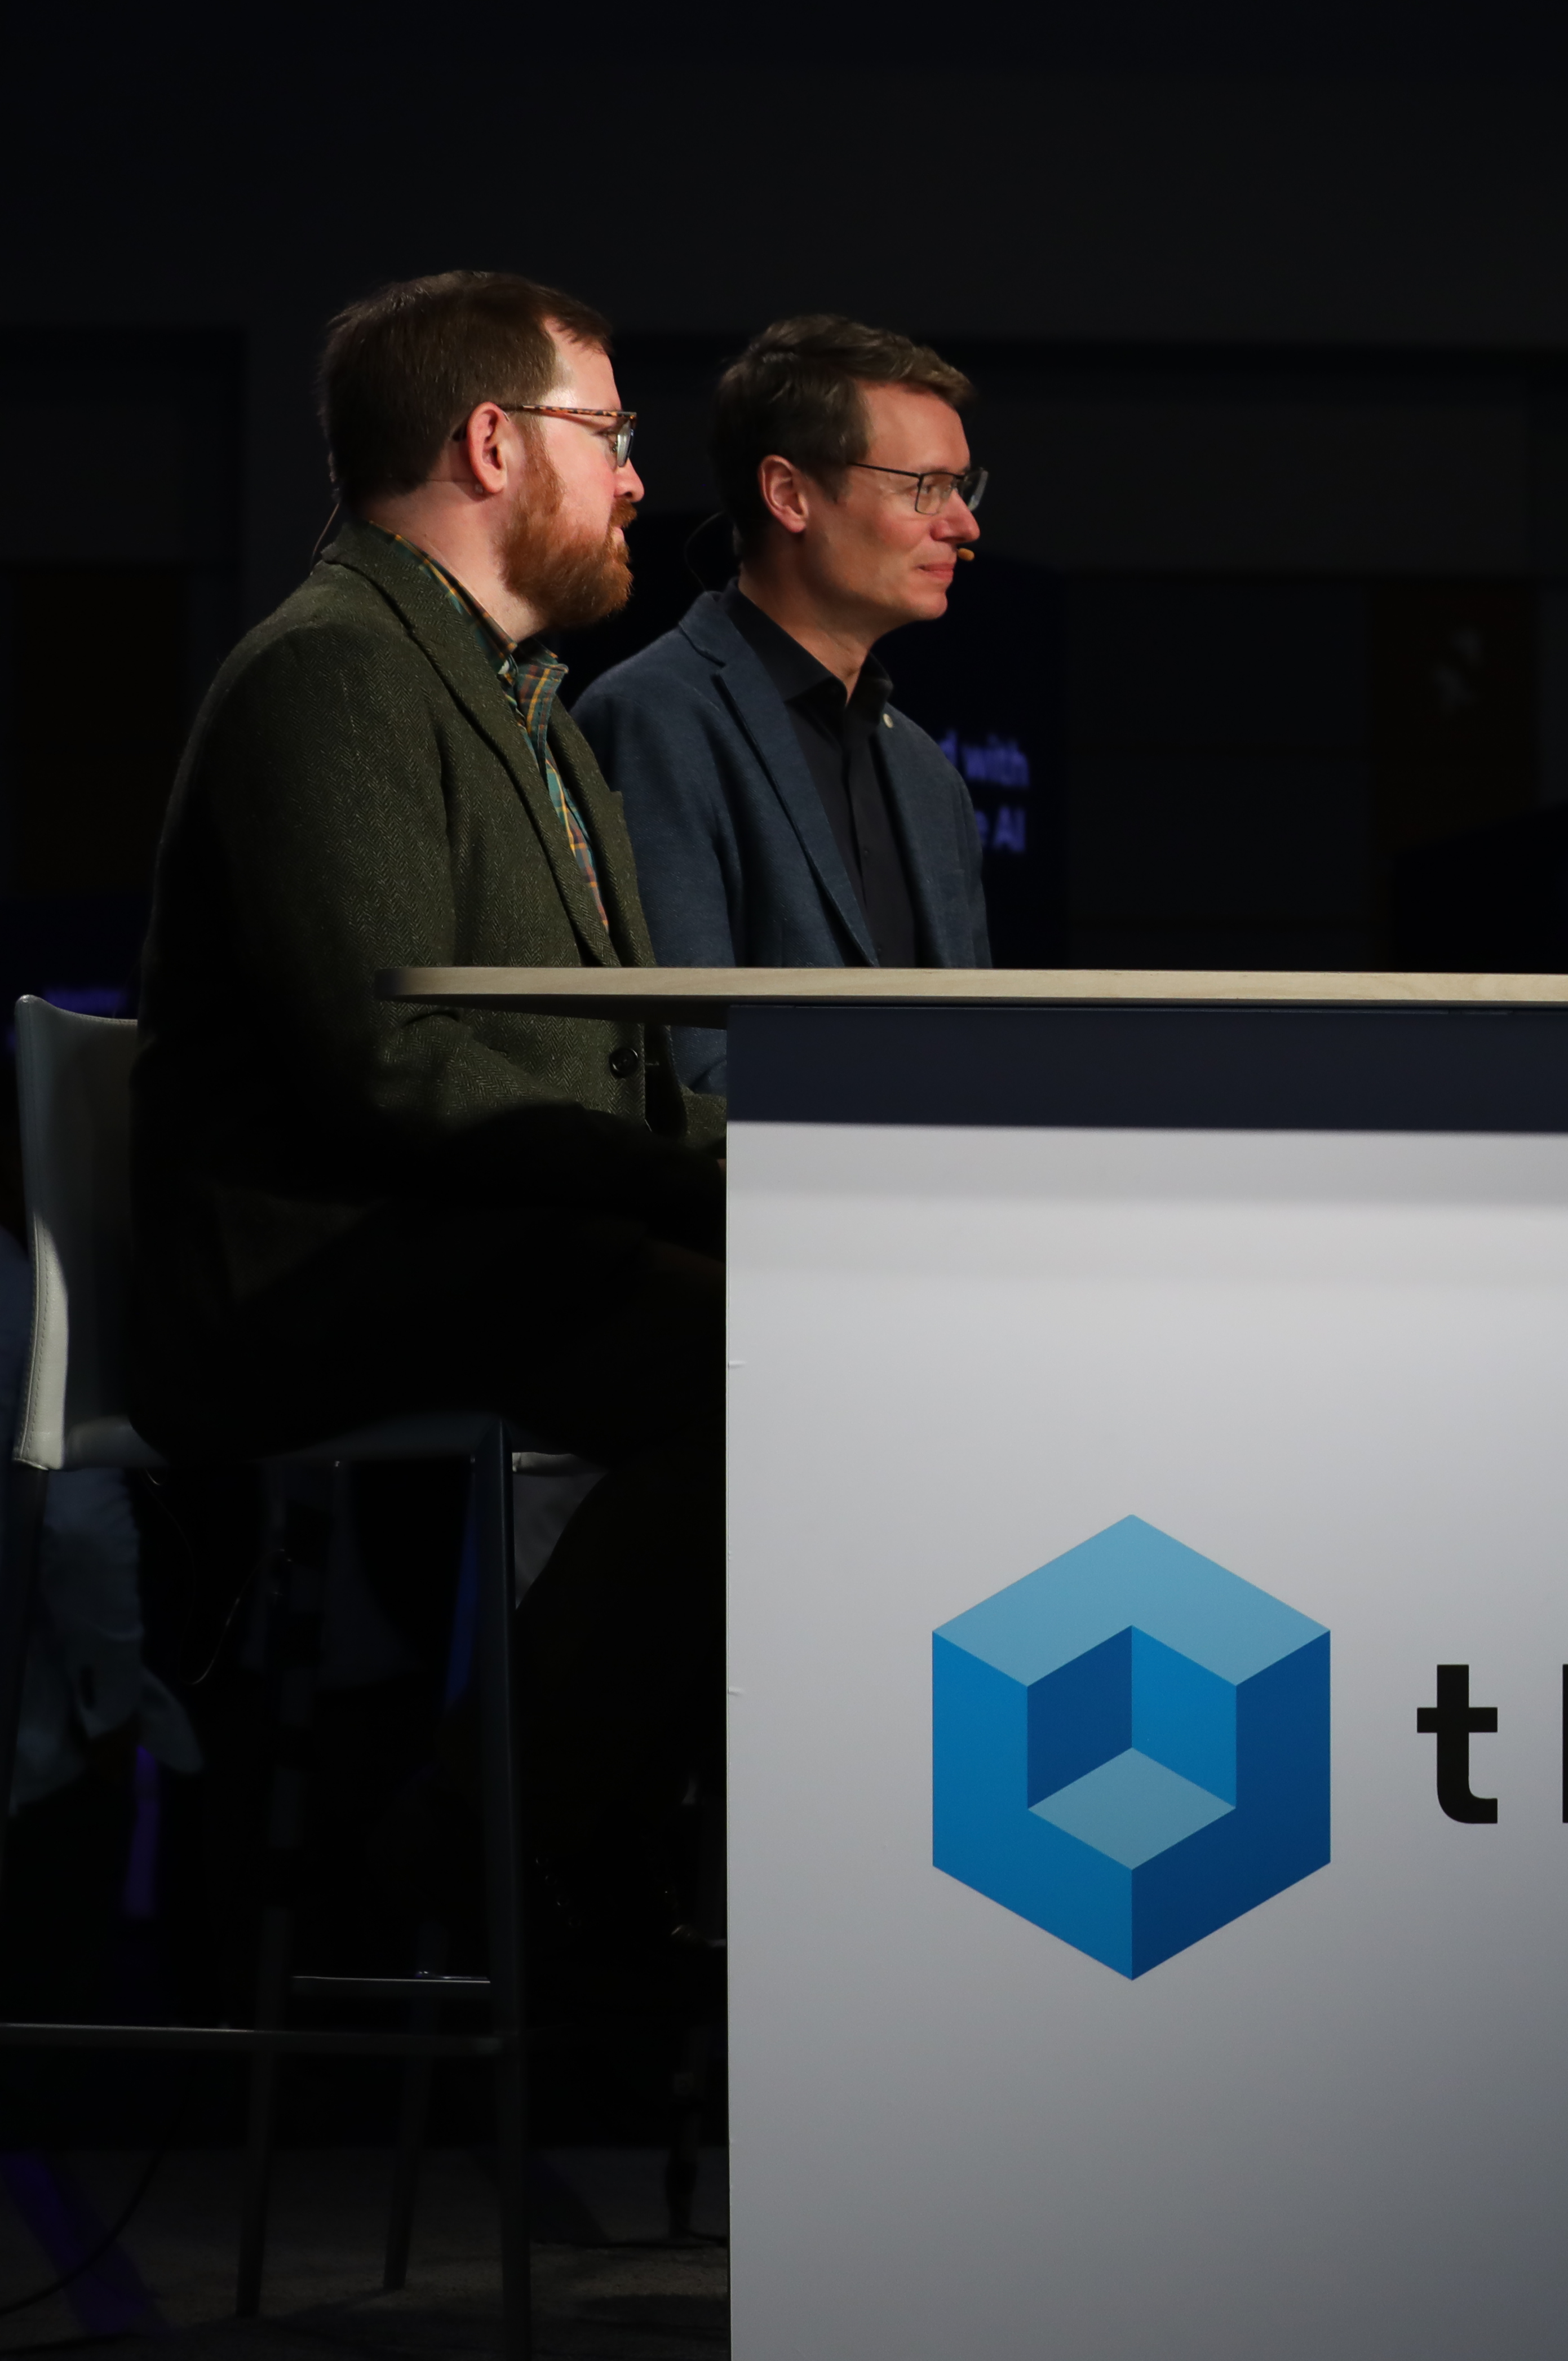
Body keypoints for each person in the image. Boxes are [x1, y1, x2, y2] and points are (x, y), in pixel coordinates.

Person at [130, 271, 724, 1941]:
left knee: (819, 1340)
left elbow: (604, 1069)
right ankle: (472, 1868)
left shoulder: (525, 703)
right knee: (768, 1371)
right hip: (313, 1275)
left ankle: (574, 1870)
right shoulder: (331, 669)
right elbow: (388, 1066)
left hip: (474, 1239)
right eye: (609, 434)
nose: (634, 479)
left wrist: (760, 1169)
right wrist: (707, 1177)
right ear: (491, 442)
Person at [575, 316, 993, 1095]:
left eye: (962, 488)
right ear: (789, 495)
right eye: (926, 488)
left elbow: (977, 1062)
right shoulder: (653, 720)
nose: (963, 525)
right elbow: (685, 1069)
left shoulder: (928, 776)